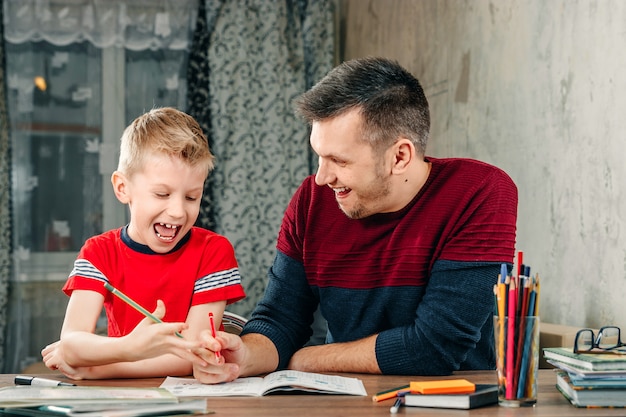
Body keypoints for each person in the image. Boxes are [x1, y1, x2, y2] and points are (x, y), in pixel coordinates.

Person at [194, 57, 518, 383]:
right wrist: (244, 355)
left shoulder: (480, 192)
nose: (321, 178)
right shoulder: (311, 202)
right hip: (343, 397)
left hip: (448, 401)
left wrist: (305, 359)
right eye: (319, 156)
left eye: (338, 160)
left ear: (399, 156)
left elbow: (432, 348)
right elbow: (279, 318)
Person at [41, 107, 246, 380]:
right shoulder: (98, 252)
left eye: (191, 197)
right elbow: (71, 343)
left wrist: (98, 366)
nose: (177, 212)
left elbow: (191, 357)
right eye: (162, 194)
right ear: (123, 188)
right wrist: (130, 347)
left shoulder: (213, 251)